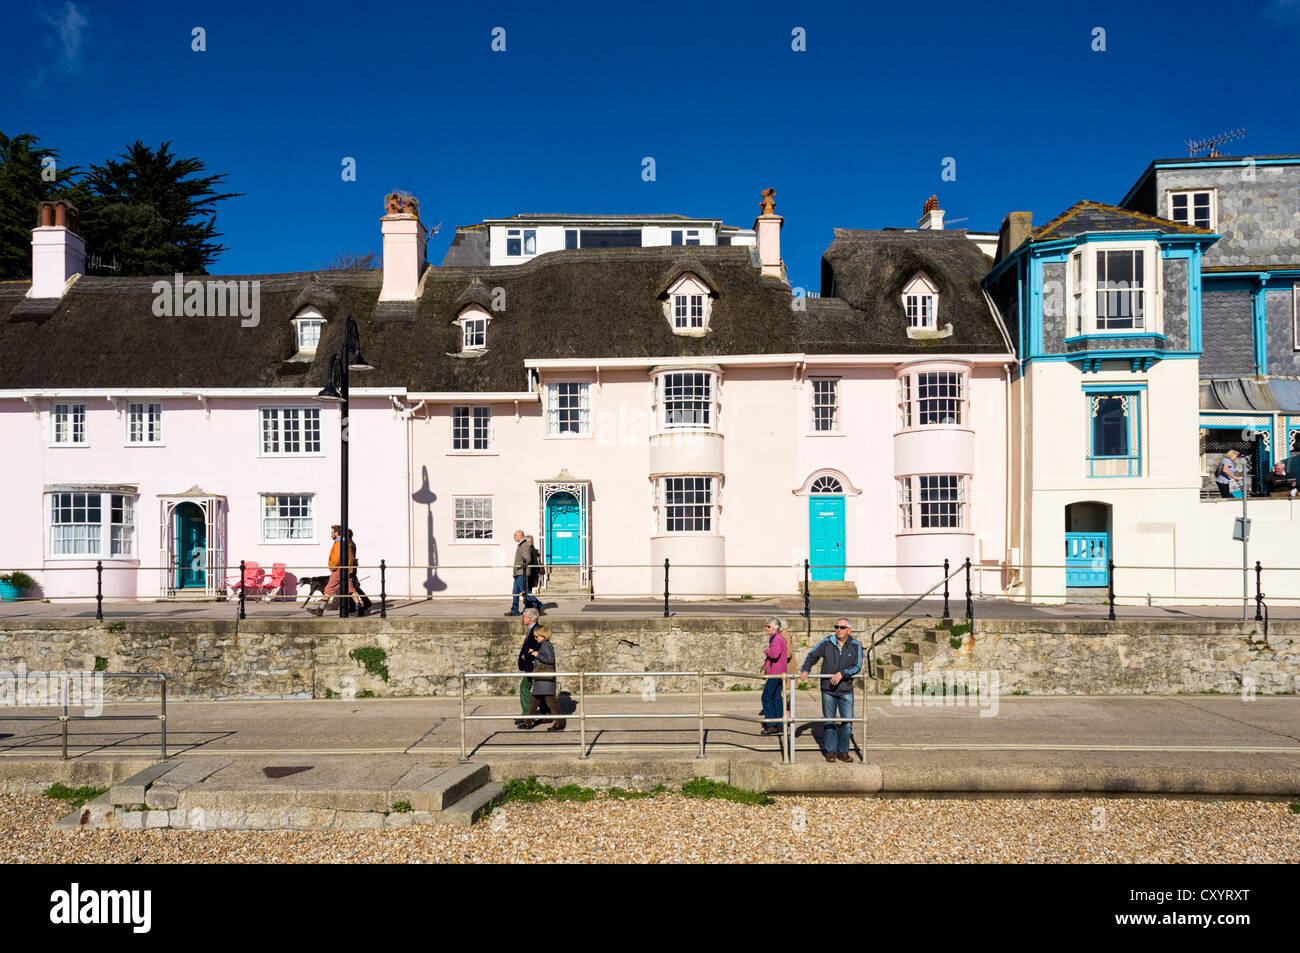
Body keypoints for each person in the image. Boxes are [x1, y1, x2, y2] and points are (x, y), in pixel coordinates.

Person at [799, 618, 863, 763]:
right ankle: (831, 751)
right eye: (837, 627)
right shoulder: (827, 642)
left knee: (847, 723)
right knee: (829, 722)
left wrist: (842, 673)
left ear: (849, 630)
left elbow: (857, 666)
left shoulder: (855, 645)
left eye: (842, 627)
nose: (838, 629)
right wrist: (805, 670)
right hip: (828, 689)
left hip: (846, 690)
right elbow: (812, 655)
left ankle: (843, 752)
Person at [526, 625, 565, 731]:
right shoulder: (544, 644)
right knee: (534, 702)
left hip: (546, 680)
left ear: (542, 635)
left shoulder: (546, 645)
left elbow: (550, 660)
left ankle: (559, 724)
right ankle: (527, 723)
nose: (535, 638)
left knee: (551, 703)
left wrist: (537, 654)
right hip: (542, 680)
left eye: (537, 636)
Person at [309, 524, 350, 616]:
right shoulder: (343, 543)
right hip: (342, 570)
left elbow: (336, 559)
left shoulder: (338, 544)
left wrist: (332, 567)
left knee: (328, 589)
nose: (331, 534)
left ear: (336, 533)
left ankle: (320, 610)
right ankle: (359, 608)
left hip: (338, 571)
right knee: (350, 589)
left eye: (332, 532)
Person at [515, 607, 545, 729]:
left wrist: (525, 656)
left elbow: (537, 649)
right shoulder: (532, 629)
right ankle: (546, 713)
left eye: (524, 616)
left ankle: (527, 714)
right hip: (530, 665)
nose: (523, 618)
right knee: (541, 692)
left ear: (530, 618)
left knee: (525, 688)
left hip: (533, 666)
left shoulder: (536, 631)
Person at [760, 617, 788, 736]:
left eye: (768, 626)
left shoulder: (777, 638)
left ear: (775, 628)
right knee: (777, 698)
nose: (767, 628)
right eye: (766, 626)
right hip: (780, 672)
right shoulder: (777, 638)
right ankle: (781, 724)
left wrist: (766, 651)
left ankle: (772, 725)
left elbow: (775, 654)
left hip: (775, 673)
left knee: (766, 696)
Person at [506, 529, 543, 616]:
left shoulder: (524, 545)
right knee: (515, 592)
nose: (514, 537)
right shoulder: (520, 545)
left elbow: (527, 558)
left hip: (522, 573)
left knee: (526, 591)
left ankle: (539, 605)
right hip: (518, 573)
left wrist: (519, 565)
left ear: (521, 536)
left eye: (516, 535)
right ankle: (514, 610)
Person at [346, 528, 373, 617]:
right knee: (354, 586)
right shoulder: (351, 544)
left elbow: (350, 557)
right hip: (352, 567)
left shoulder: (349, 545)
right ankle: (364, 603)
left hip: (350, 568)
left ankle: (355, 607)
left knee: (351, 587)